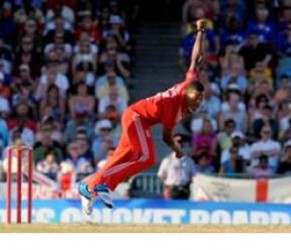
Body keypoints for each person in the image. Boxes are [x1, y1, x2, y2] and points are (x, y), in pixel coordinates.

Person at [78, 19, 208, 214]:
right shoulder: (173, 106)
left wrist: (200, 32)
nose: (197, 104)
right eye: (194, 101)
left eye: (199, 100)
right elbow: (166, 137)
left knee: (120, 157)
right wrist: (179, 150)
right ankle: (89, 185)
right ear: (187, 97)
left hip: (141, 120)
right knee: (147, 157)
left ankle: (103, 186)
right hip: (136, 116)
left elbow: (195, 60)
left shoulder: (190, 82)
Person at [158, 134, 195, 200]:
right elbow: (161, 175)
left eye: (180, 144)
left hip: (184, 189)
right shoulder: (167, 160)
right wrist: (168, 184)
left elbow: (193, 175)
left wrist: (188, 184)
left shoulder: (189, 161)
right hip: (171, 189)